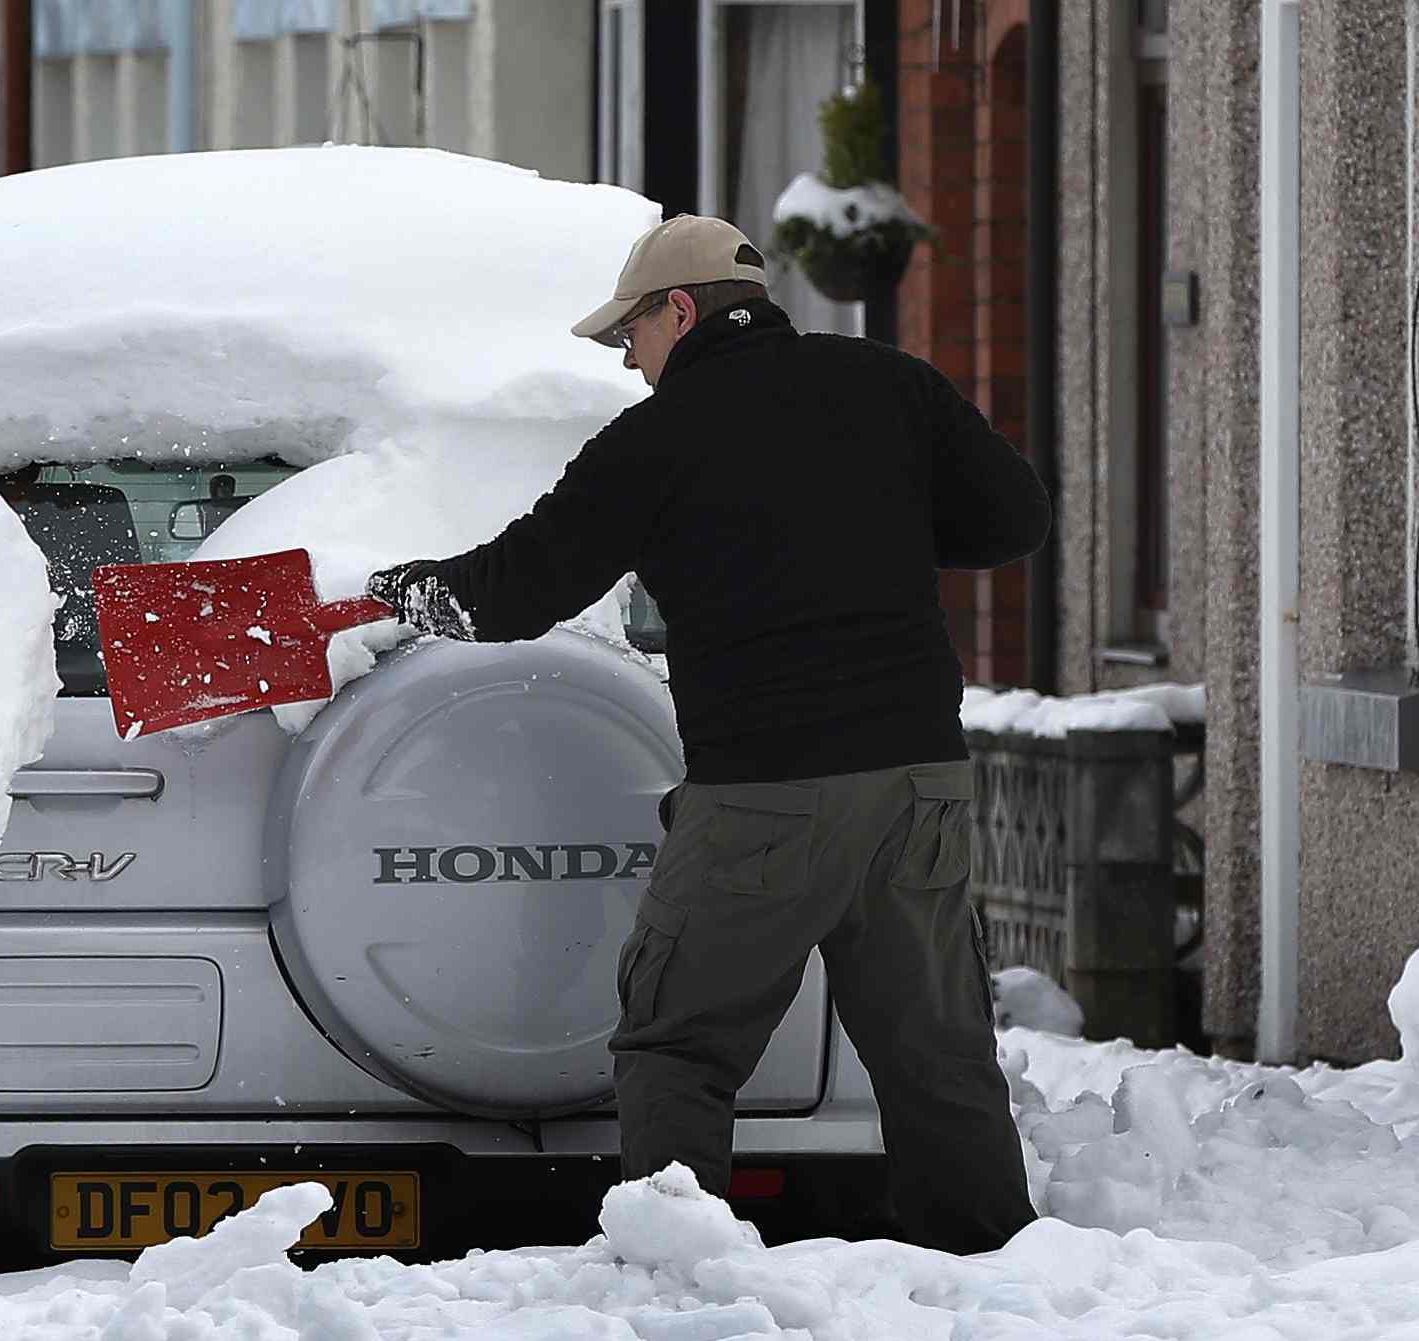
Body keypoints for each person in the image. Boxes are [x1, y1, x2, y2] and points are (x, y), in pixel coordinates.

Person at [365, 215, 1048, 1254]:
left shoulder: (659, 439)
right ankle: (992, 1268)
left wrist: (389, 592)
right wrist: (878, 525)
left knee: (679, 1042)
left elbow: (514, 590)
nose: (627, 361)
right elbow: (1011, 521)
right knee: (933, 1048)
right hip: (917, 781)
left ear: (678, 310)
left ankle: (679, 1274)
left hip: (767, 795)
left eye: (627, 335)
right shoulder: (888, 385)